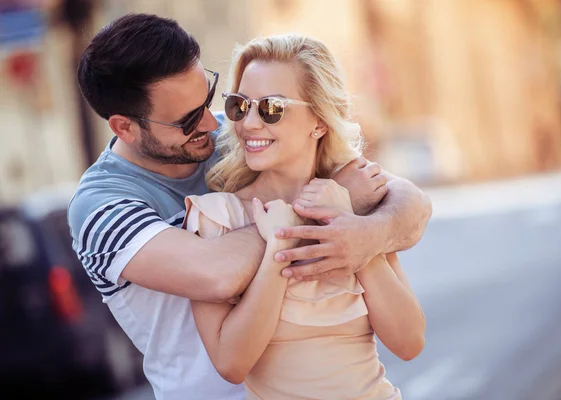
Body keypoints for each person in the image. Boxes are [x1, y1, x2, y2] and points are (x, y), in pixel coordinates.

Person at [67, 13, 432, 400]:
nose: (213, 122)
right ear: (125, 127)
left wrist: (365, 235)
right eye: (189, 119)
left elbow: (410, 204)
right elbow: (216, 274)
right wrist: (315, 206)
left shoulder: (245, 133)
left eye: (211, 98)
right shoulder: (101, 207)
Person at [183, 33, 425, 400]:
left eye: (271, 108)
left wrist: (354, 236)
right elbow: (231, 364)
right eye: (239, 105)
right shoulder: (217, 217)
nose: (248, 124)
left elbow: (409, 342)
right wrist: (281, 244)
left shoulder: (349, 199)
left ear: (320, 121)